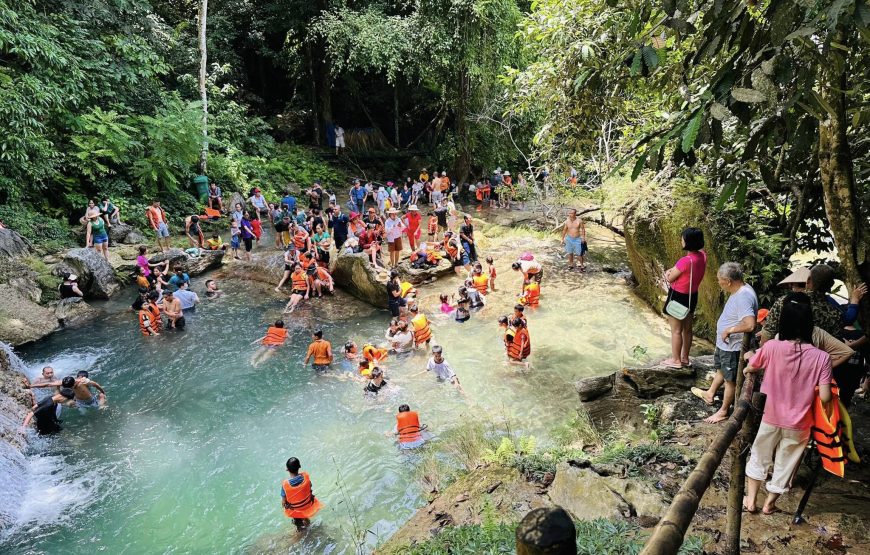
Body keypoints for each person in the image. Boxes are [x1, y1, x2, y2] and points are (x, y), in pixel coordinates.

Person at [742, 293, 833, 515]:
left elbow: (752, 365)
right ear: (810, 324)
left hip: (770, 415)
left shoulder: (772, 346)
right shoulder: (822, 358)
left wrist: (748, 363)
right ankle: (769, 504)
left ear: (784, 322)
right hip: (800, 423)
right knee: (787, 462)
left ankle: (751, 500)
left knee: (759, 455)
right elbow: (825, 397)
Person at [691, 263, 758, 423]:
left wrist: (729, 330)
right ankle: (710, 393)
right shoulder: (741, 289)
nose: (718, 283)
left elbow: (750, 324)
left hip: (733, 347)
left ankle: (723, 411)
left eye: (720, 280)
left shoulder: (743, 297)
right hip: (725, 346)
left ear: (728, 281)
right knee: (721, 369)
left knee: (730, 380)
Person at [661, 227, 707, 369]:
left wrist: (668, 272)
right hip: (692, 296)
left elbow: (670, 278)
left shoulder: (685, 261)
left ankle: (675, 360)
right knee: (688, 329)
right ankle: (685, 358)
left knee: (676, 330)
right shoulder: (703, 256)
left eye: (683, 238)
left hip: (678, 297)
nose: (681, 240)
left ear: (688, 242)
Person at [280, 457, 324, 531]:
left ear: (287, 469)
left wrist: (284, 504)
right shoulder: (306, 478)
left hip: (296, 509)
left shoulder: (285, 485)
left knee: (294, 513)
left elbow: (283, 502)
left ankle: (300, 530)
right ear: (299, 467)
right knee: (302, 509)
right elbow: (310, 487)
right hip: (308, 505)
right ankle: (308, 525)